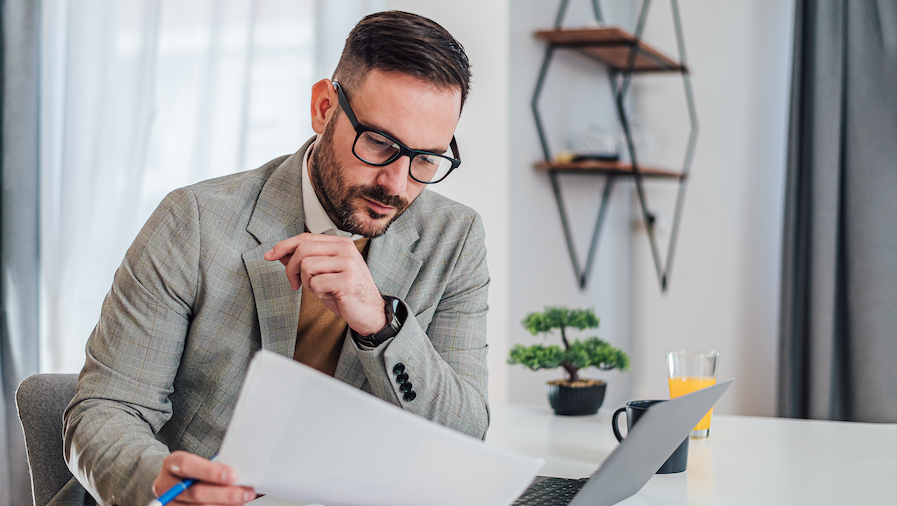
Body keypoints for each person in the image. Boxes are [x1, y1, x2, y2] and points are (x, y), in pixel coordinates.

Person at [62, 11, 489, 506]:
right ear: (324, 107)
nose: (396, 184)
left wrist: (381, 324)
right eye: (378, 142)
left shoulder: (455, 239)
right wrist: (162, 484)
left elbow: (465, 437)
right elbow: (103, 410)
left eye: (426, 160)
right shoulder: (194, 222)